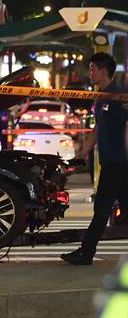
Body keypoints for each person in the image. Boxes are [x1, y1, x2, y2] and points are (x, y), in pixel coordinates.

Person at [61, 53, 128, 265]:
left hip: (118, 162)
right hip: (110, 161)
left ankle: (86, 252)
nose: (89, 73)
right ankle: (85, 252)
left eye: (92, 69)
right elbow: (97, 127)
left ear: (103, 71)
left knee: (101, 208)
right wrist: (83, 151)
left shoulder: (118, 97)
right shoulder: (100, 97)